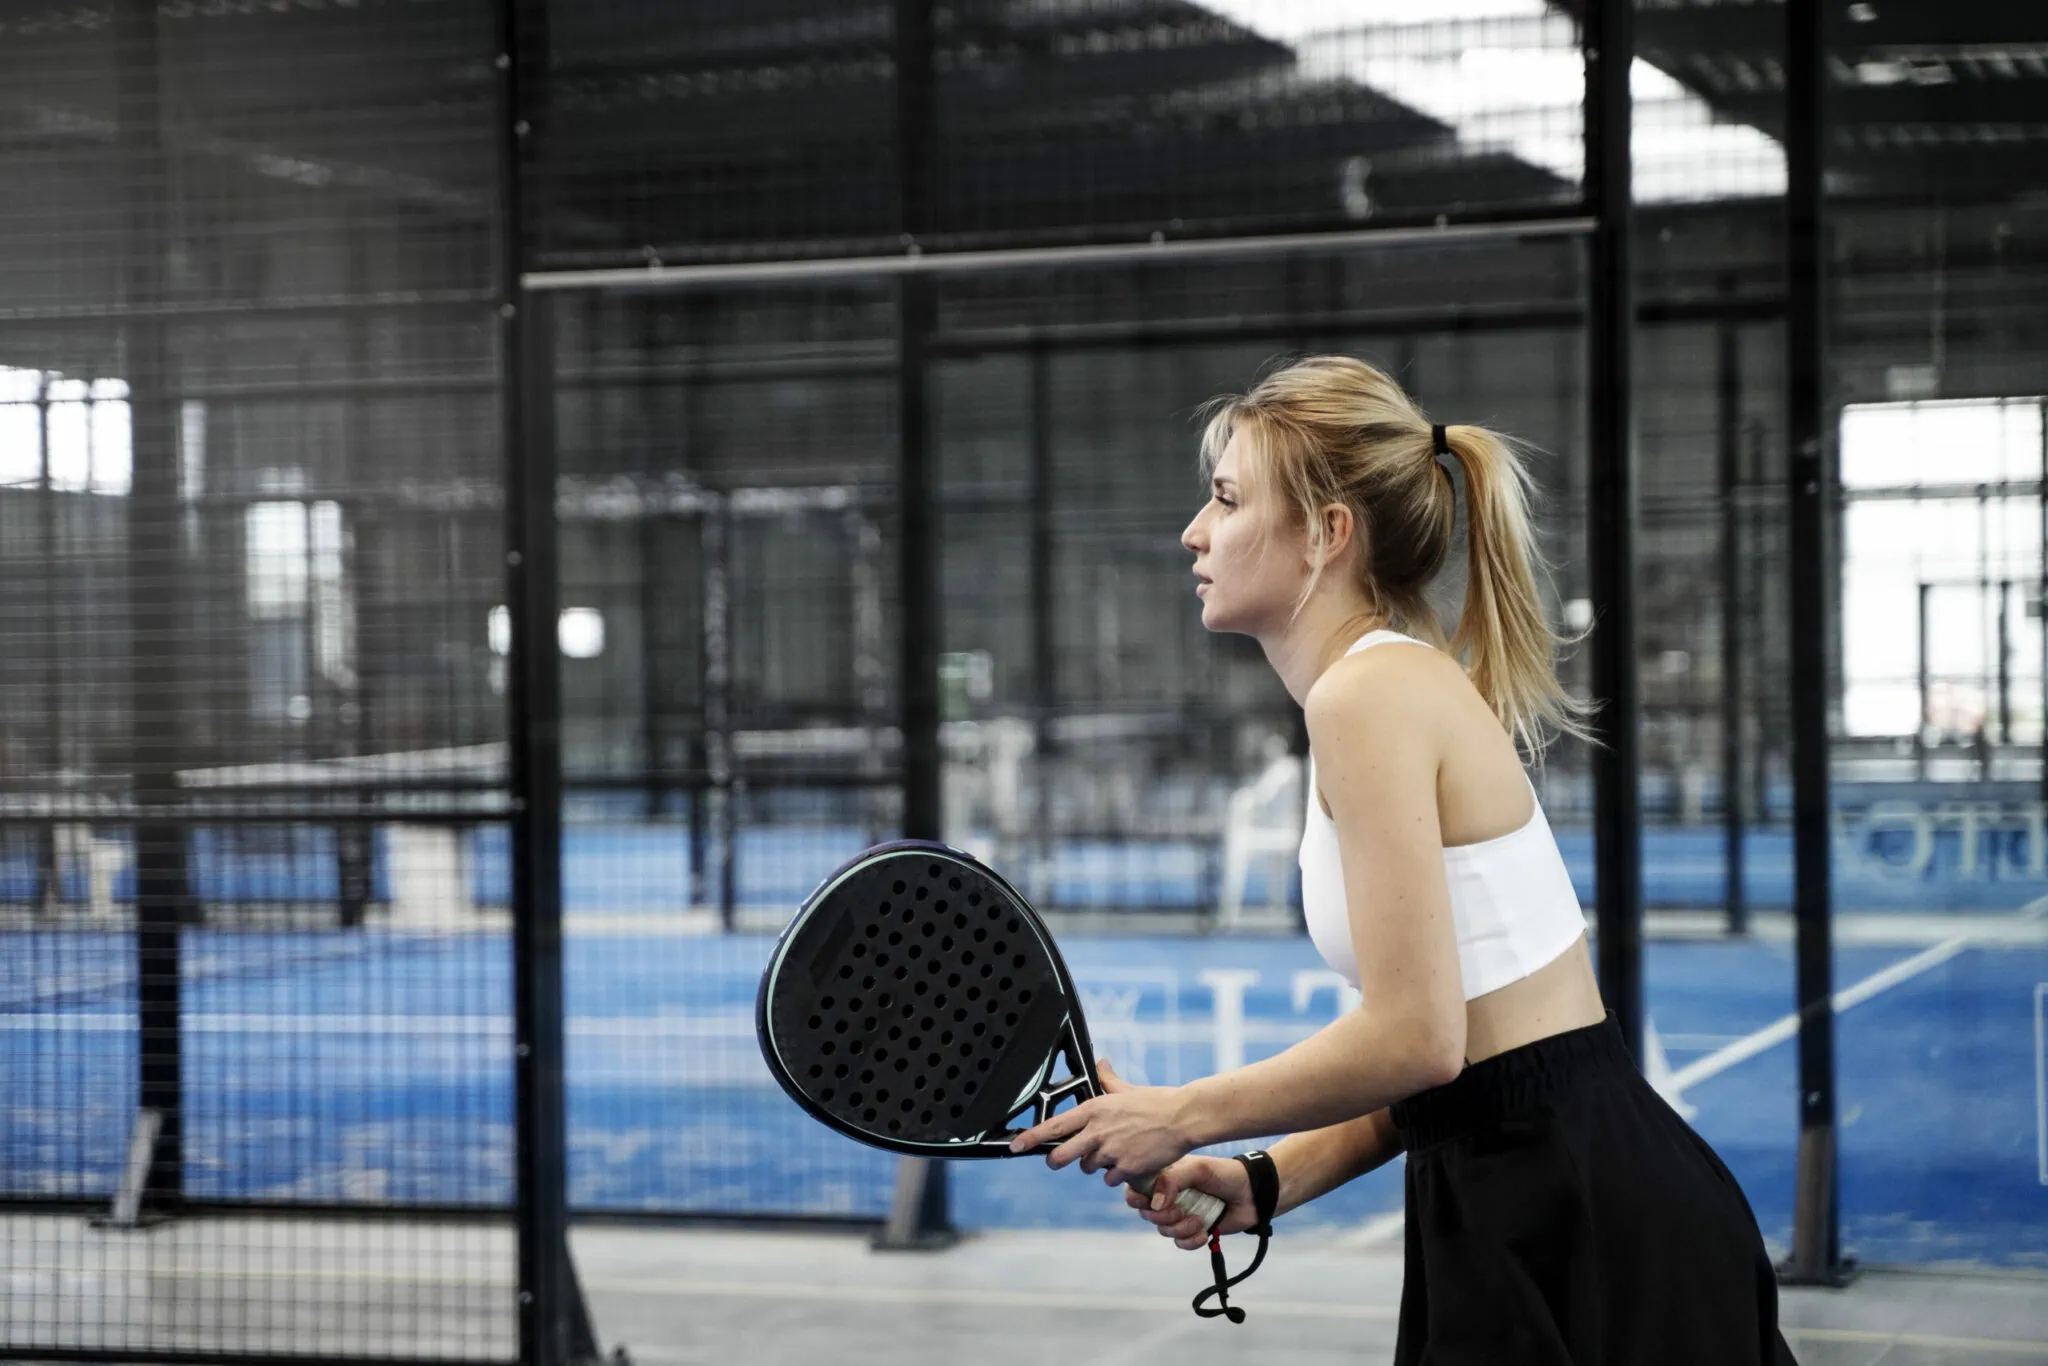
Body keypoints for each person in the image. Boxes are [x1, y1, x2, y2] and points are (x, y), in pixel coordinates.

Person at [1008, 355, 1796, 1364]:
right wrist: (1262, 1179)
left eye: (1227, 499)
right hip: (1538, 1189)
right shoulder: (1376, 686)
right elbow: (1457, 1065)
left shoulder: (1364, 697)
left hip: (1571, 1212)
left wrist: (1179, 1114)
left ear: (1325, 533)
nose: (1194, 531)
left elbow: (1418, 1041)